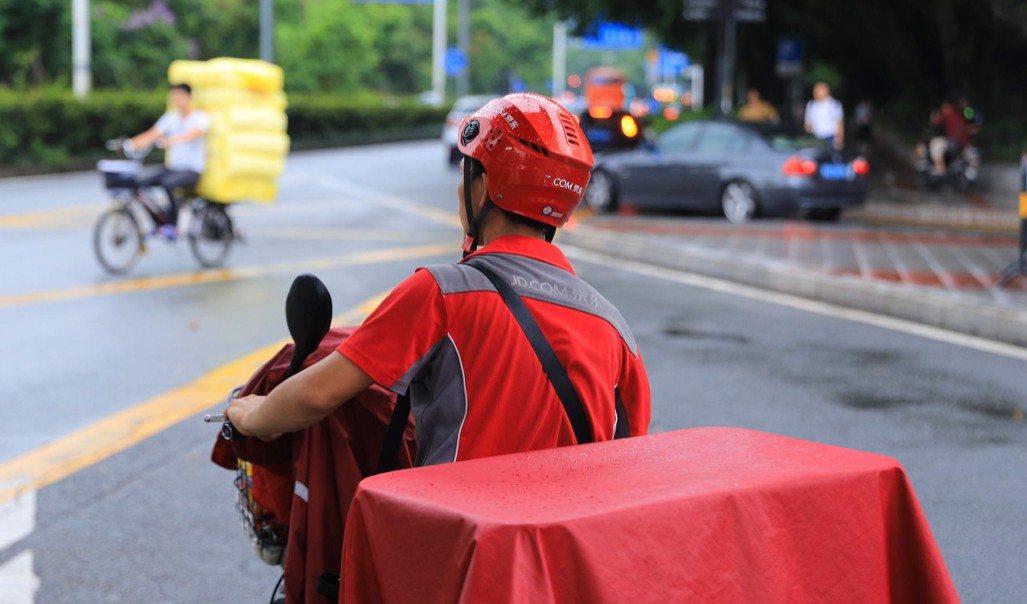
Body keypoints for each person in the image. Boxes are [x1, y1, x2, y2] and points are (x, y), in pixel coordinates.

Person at [225, 93, 652, 467]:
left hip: (460, 548)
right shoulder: (615, 327)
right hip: (559, 555)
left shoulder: (443, 292)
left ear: (484, 189)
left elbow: (316, 396)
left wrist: (251, 415)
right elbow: (628, 454)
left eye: (468, 174)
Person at [129, 83, 210, 238]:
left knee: (168, 184)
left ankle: (174, 224)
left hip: (192, 170)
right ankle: (160, 221)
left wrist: (171, 140)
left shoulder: (200, 117)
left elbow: (193, 134)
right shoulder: (171, 118)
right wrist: (130, 143)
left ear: (189, 97)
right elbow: (151, 135)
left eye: (179, 95)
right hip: (173, 168)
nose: (176, 99)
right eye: (174, 96)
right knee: (140, 184)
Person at [928, 100, 970, 175]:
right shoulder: (961, 115)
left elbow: (936, 122)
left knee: (936, 147)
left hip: (952, 142)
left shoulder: (949, 113)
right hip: (961, 143)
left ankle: (940, 170)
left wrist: (934, 118)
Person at [804, 82, 844, 149]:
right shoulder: (811, 105)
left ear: (826, 91)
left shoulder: (833, 104)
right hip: (815, 138)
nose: (815, 92)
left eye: (818, 90)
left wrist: (839, 139)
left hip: (830, 138)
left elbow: (839, 123)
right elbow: (808, 123)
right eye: (814, 90)